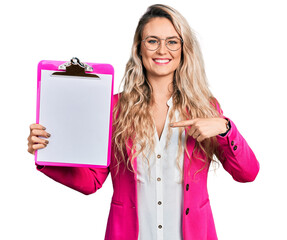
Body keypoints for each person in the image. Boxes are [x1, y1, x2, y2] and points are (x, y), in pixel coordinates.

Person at [27, 4, 260, 240]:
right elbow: (92, 182)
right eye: (152, 41)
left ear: (183, 48)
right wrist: (48, 153)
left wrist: (225, 129)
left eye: (172, 42)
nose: (162, 50)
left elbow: (247, 173)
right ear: (139, 48)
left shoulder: (206, 108)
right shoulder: (115, 108)